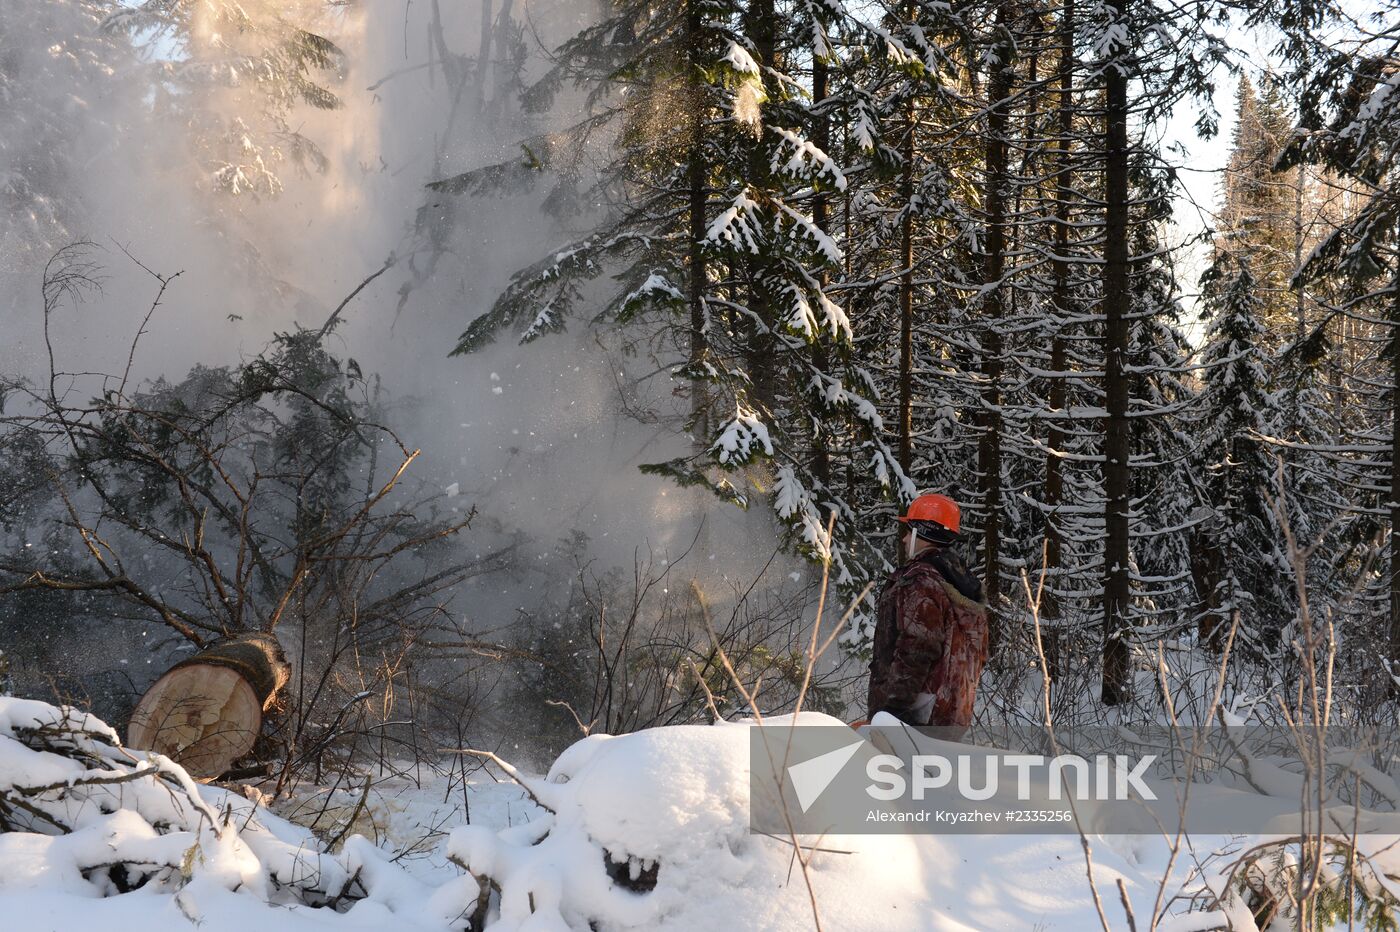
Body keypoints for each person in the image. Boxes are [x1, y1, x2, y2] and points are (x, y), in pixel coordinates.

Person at [867, 493, 989, 729]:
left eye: (908, 530)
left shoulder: (921, 582)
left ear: (922, 531)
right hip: (948, 712)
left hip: (914, 717)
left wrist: (893, 710)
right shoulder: (957, 578)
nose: (904, 539)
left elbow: (918, 648)